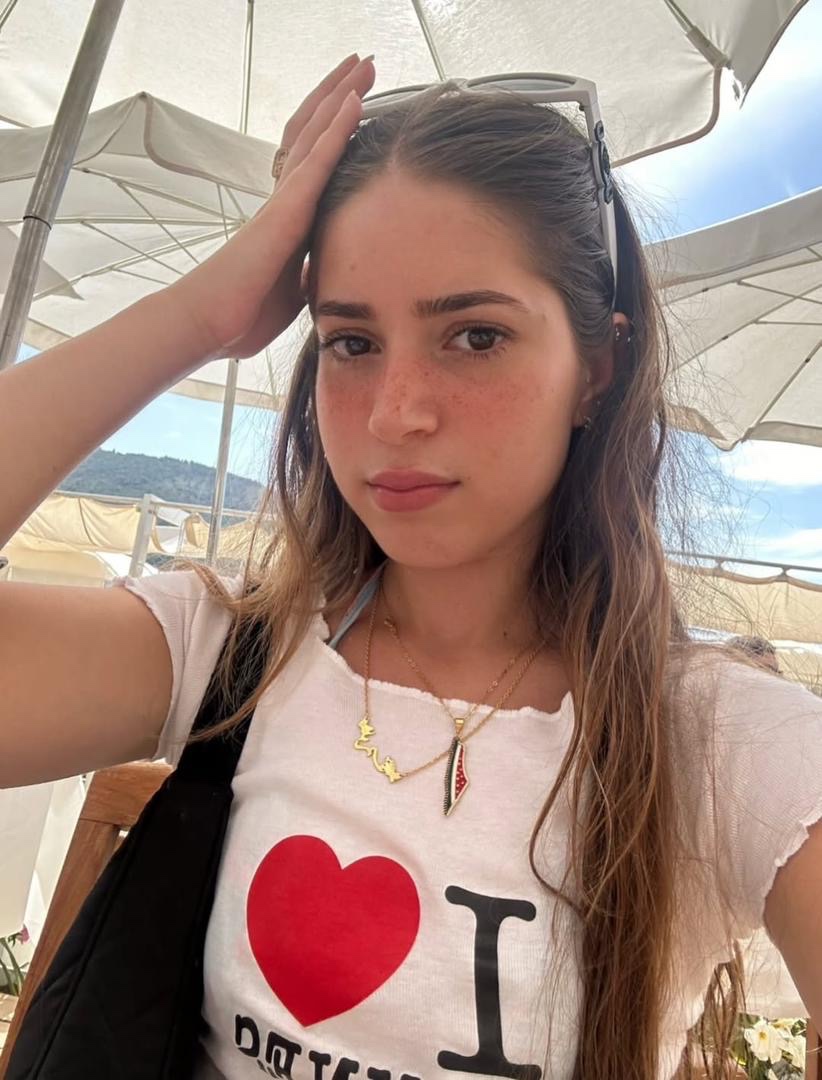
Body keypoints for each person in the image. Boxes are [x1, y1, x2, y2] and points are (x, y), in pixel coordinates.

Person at [1, 54, 821, 1080]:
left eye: (474, 336)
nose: (396, 415)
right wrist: (200, 316)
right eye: (351, 343)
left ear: (597, 371)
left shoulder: (725, 746)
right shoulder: (232, 656)